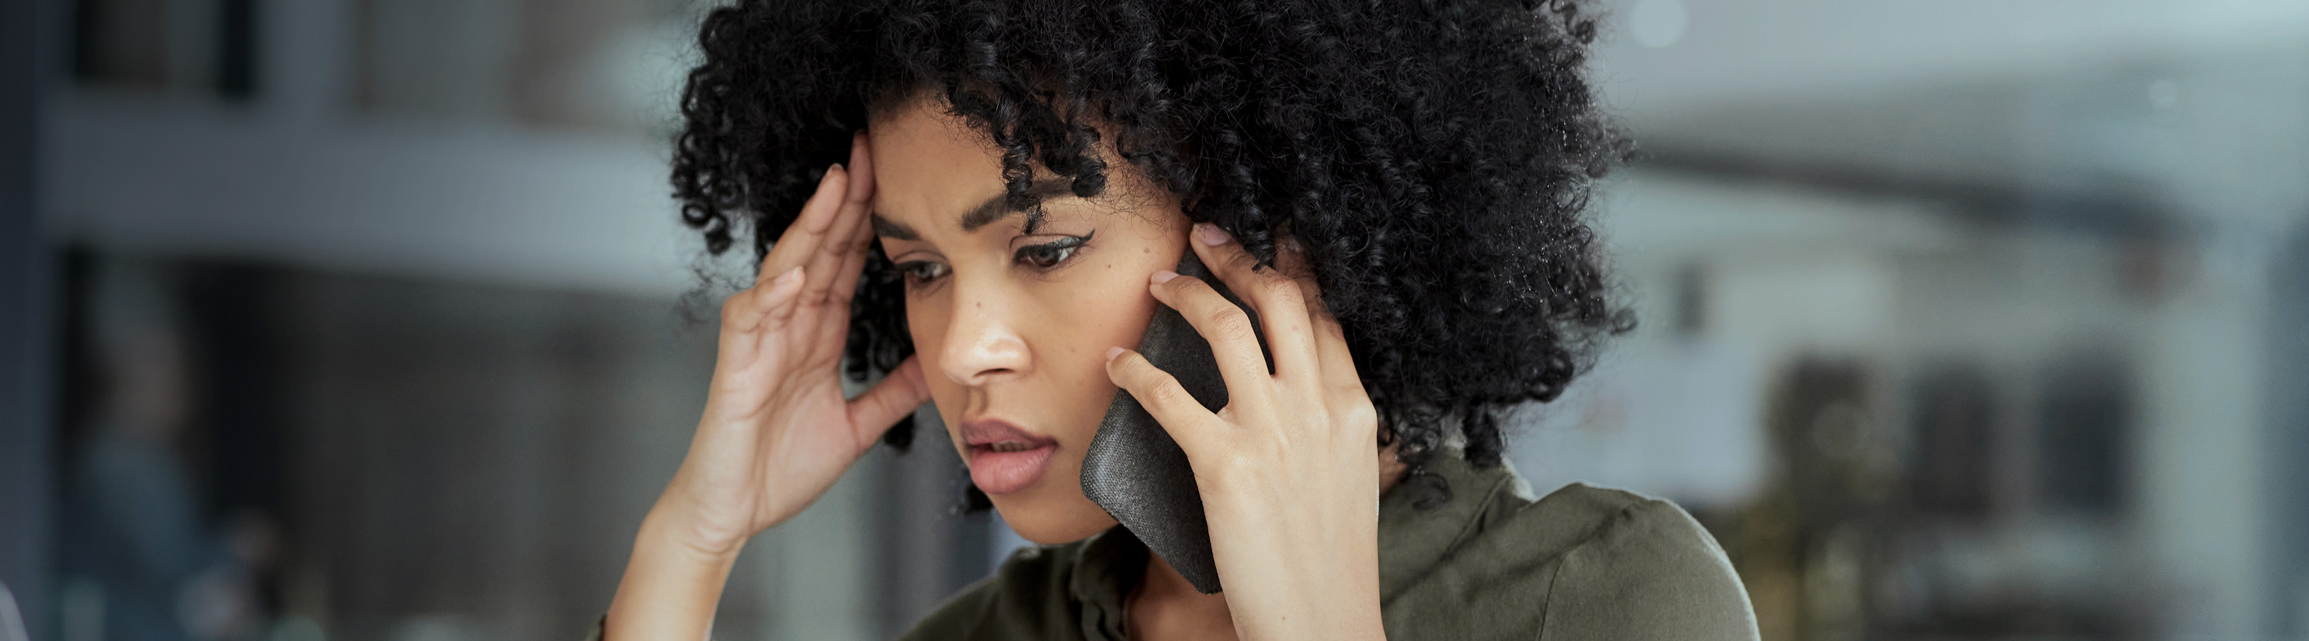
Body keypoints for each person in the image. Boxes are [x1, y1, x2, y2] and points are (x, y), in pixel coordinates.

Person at [604, 0, 1757, 639]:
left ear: (1274, 229)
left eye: (1044, 247)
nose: (961, 349)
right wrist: (691, 540)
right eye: (918, 268)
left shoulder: (1609, 599)